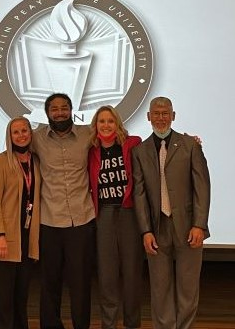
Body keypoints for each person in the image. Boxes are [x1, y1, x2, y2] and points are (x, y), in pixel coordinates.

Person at [132, 97, 211, 329]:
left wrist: (199, 225)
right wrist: (145, 231)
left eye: (165, 113)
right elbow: (139, 195)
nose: (161, 118)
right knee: (160, 287)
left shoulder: (190, 145)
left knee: (188, 287)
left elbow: (202, 188)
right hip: (157, 228)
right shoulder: (139, 151)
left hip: (188, 227)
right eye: (156, 113)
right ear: (148, 117)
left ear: (173, 115)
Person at [32, 93, 95, 329]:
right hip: (49, 221)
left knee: (81, 283)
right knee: (50, 282)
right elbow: (13, 144)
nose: (60, 113)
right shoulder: (36, 138)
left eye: (64, 108)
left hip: (82, 220)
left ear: (71, 110)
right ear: (47, 113)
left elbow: (119, 136)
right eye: (54, 109)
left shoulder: (88, 134)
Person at [88, 106, 143, 329]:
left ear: (117, 123)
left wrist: (190, 141)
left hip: (129, 213)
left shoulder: (133, 144)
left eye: (110, 121)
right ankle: (109, 324)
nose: (106, 125)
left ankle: (132, 324)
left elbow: (156, 150)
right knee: (107, 275)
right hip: (104, 214)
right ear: (96, 125)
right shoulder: (90, 151)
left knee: (132, 274)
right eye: (101, 121)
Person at [0, 117, 41, 329]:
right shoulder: (1, 161)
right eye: (15, 132)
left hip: (26, 240)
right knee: (4, 301)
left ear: (30, 132)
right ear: (9, 136)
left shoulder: (36, 162)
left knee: (21, 298)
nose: (21, 135)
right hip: (5, 239)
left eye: (24, 130)